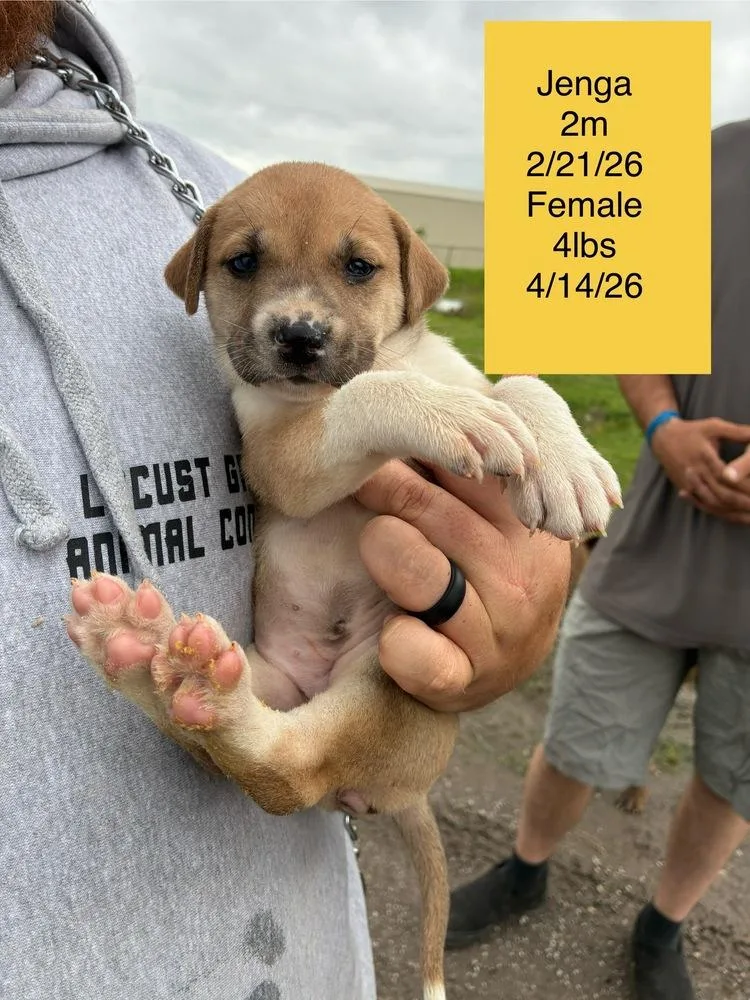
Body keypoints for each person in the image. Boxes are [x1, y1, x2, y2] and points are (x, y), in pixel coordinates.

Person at [0, 3, 571, 998]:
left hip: (313, 900)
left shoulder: (196, 178)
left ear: (408, 287)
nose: (299, 317)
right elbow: (297, 463)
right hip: (281, 671)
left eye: (357, 271)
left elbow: (502, 450)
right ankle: (238, 724)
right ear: (197, 281)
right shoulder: (248, 318)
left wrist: (527, 578)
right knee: (235, 677)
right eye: (248, 268)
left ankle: (238, 718)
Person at [446, 119, 750, 1000]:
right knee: (577, 736)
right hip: (657, 528)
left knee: (732, 776)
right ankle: (526, 867)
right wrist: (663, 427)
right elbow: (629, 313)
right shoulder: (701, 158)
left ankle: (665, 927)